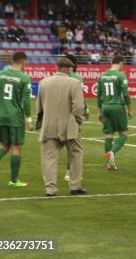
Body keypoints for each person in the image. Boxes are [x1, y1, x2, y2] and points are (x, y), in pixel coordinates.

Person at [37, 57, 86, 196]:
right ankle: (75, 186)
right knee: (76, 154)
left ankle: (50, 189)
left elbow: (39, 108)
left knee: (48, 158)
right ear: (66, 69)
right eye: (71, 70)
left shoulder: (43, 83)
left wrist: (43, 122)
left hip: (49, 125)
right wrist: (78, 121)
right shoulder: (74, 83)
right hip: (70, 126)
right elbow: (79, 107)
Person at [0, 52, 32, 187]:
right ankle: (14, 180)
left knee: (4, 145)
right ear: (23, 62)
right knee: (16, 147)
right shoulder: (24, 78)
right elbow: (26, 101)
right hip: (15, 117)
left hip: (2, 115)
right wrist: (28, 119)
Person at [97, 55, 133, 171]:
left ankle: (109, 164)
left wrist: (99, 112)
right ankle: (112, 152)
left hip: (105, 107)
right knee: (124, 133)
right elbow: (125, 94)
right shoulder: (121, 75)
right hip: (117, 107)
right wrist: (129, 109)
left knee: (109, 135)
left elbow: (98, 96)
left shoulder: (102, 76)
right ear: (120, 63)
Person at [64, 54, 89, 182]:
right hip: (73, 115)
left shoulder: (58, 76)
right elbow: (80, 98)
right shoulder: (77, 77)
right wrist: (86, 109)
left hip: (59, 113)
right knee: (74, 145)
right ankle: (69, 172)